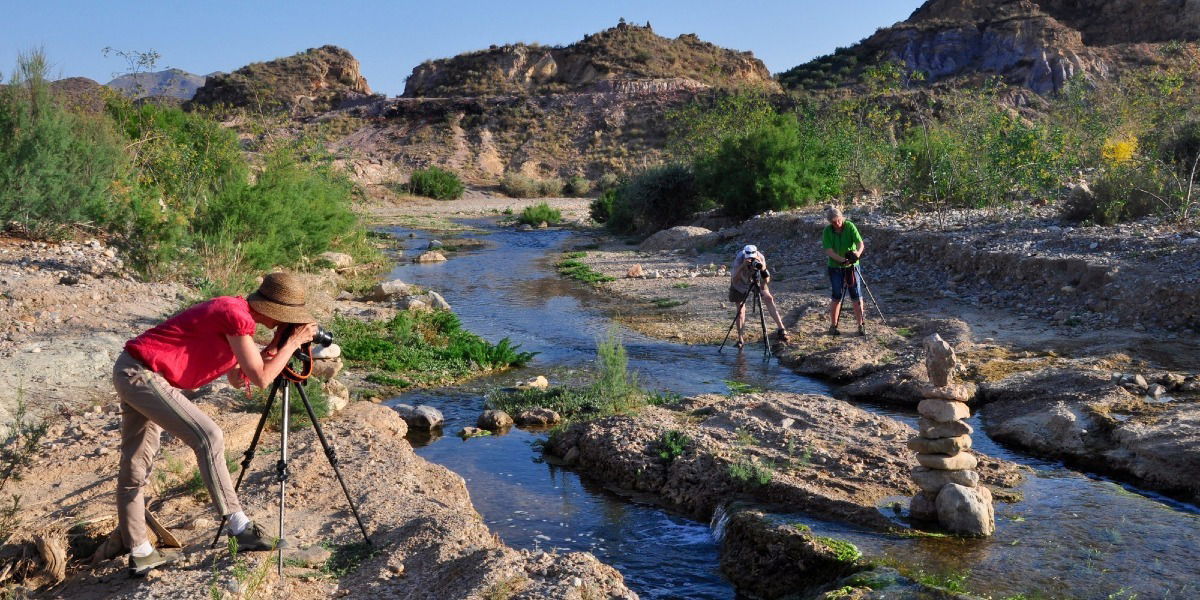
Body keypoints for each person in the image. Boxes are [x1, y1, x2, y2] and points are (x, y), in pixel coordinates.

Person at [112, 271, 318, 575]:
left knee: (135, 466)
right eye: (287, 316)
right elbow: (261, 379)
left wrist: (277, 343)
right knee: (208, 436)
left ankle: (141, 552)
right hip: (142, 375)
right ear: (274, 310)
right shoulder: (233, 314)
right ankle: (240, 526)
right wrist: (294, 342)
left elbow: (239, 379)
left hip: (135, 372)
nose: (288, 322)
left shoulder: (237, 318)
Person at [729, 244, 790, 348]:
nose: (751, 260)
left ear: (756, 254)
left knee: (768, 298)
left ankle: (781, 329)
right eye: (749, 258)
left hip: (756, 280)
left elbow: (766, 281)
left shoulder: (760, 258)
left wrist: (762, 269)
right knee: (740, 311)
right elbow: (734, 279)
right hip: (740, 283)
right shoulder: (739, 258)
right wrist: (742, 266)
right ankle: (740, 339)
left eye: (752, 257)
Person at [822, 205, 866, 336]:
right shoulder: (827, 231)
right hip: (835, 267)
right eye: (834, 222)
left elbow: (860, 243)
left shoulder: (850, 226)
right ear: (830, 222)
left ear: (842, 217)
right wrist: (841, 260)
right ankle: (833, 326)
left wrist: (857, 254)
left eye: (838, 220)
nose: (837, 224)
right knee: (836, 295)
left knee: (856, 295)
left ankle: (861, 325)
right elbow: (828, 250)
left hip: (852, 267)